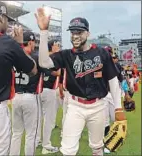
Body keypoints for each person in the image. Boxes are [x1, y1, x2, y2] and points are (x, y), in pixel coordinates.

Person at [35, 8, 127, 156]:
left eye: (79, 32)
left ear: (88, 33)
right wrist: (44, 31)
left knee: (97, 147)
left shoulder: (102, 53)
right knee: (68, 149)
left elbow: (113, 80)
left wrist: (118, 108)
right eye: (72, 32)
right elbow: (44, 62)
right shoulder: (66, 55)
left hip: (98, 105)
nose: (75, 35)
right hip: (75, 106)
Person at [0, 2, 37, 155]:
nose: (7, 23)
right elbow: (32, 69)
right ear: (1, 18)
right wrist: (19, 44)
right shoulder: (7, 44)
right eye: (6, 19)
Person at [9, 31, 41, 156]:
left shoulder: (13, 56)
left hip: (16, 96)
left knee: (16, 133)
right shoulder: (35, 56)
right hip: (29, 96)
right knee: (30, 134)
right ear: (31, 42)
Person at [39, 40, 61, 154]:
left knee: (39, 118)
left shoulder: (42, 57)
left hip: (39, 90)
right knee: (49, 119)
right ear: (52, 47)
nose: (58, 47)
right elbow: (57, 73)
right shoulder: (53, 58)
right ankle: (46, 145)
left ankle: (37, 140)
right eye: (56, 45)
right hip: (49, 90)